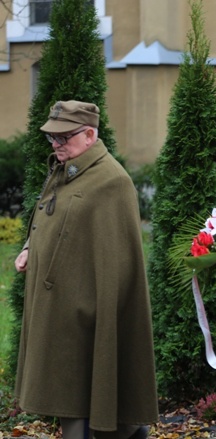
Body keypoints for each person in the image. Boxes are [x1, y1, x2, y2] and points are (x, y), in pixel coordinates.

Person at [14, 100, 158, 439]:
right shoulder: (65, 169)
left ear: (90, 134)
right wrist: (29, 247)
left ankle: (131, 429)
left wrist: (100, 311)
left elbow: (115, 261)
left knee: (83, 397)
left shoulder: (112, 182)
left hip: (89, 311)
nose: (56, 145)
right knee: (69, 395)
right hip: (59, 306)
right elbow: (52, 219)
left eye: (64, 138)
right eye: (52, 138)